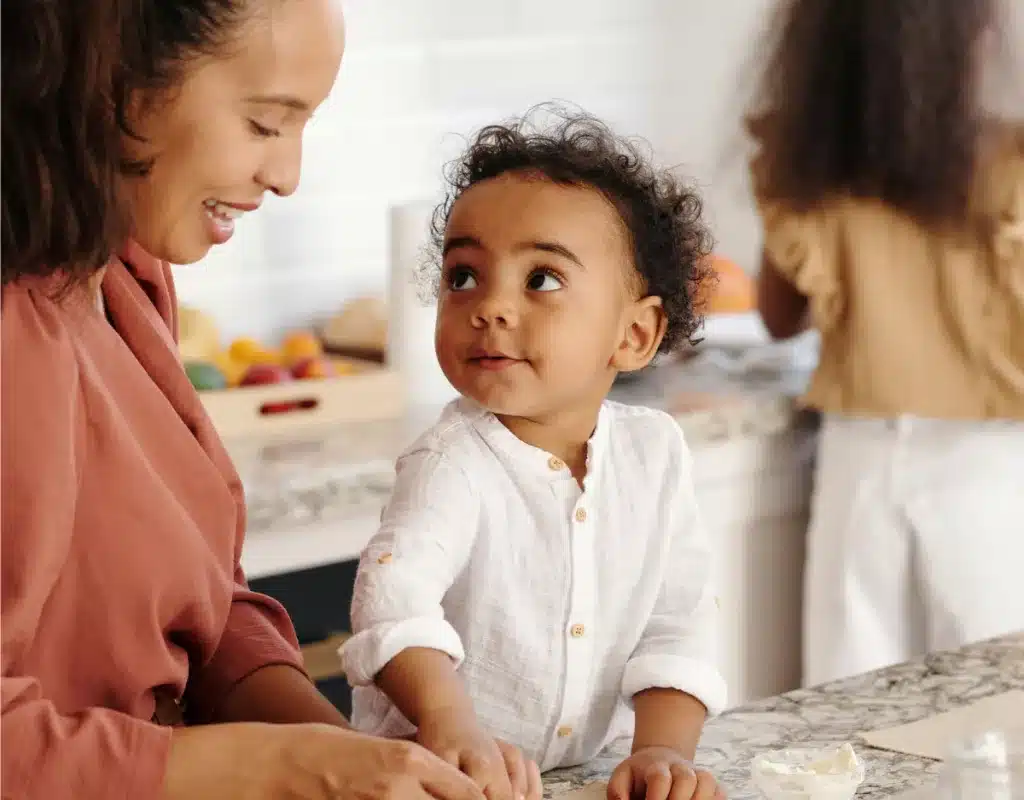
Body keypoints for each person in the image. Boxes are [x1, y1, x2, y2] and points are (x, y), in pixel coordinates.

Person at [1, 2, 508, 798]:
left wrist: (356, 758)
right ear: (115, 82)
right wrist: (293, 766)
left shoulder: (126, 272)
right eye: (267, 123)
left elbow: (206, 611)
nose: (287, 175)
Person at [340, 111, 729, 800]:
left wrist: (662, 751)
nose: (490, 306)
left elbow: (679, 621)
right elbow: (391, 597)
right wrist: (451, 725)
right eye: (464, 276)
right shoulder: (452, 460)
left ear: (635, 334)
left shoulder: (654, 454)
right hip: (438, 785)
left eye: (541, 280)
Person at [747, 0, 1024, 686]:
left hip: (858, 465)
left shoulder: (805, 167)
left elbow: (779, 318)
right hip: (991, 470)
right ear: (970, 38)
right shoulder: (1008, 161)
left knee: (849, 715)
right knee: (994, 716)